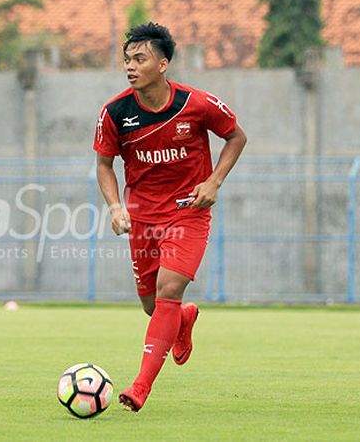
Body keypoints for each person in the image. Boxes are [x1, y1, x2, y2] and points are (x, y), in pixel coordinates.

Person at [93, 22, 247, 412]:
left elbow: (236, 136)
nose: (130, 66)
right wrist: (115, 206)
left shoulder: (196, 104)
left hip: (188, 212)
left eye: (139, 59)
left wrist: (214, 182)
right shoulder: (115, 113)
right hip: (143, 218)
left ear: (163, 64)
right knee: (152, 304)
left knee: (168, 290)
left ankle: (140, 386)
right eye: (127, 59)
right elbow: (104, 165)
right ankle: (184, 319)